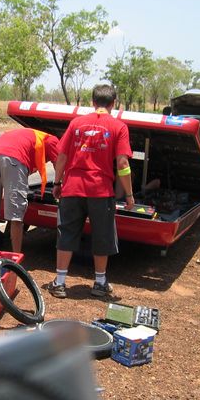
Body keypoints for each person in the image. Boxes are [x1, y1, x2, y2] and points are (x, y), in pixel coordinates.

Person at [48, 84, 134, 299]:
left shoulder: (76, 123)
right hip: (100, 191)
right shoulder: (119, 127)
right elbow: (122, 162)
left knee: (66, 233)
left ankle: (59, 283)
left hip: (72, 188)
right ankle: (100, 283)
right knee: (102, 236)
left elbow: (62, 157)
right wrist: (129, 194)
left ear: (93, 102)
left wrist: (57, 183)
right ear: (113, 104)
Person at [0, 128, 59, 253]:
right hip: (14, 158)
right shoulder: (52, 140)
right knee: (16, 216)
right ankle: (16, 259)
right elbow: (59, 164)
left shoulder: (28, 135)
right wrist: (61, 185)